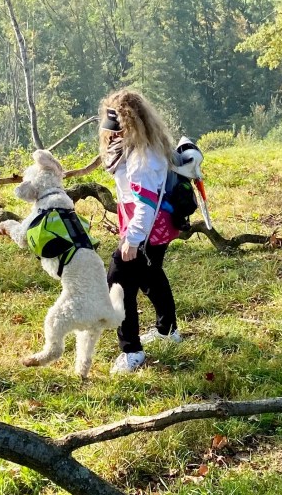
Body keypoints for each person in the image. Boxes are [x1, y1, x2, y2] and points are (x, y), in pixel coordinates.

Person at [98, 88, 183, 374]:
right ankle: (167, 330)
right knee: (150, 274)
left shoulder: (142, 160)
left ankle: (132, 351)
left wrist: (132, 240)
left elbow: (145, 205)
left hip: (145, 228)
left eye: (118, 129)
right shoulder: (140, 148)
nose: (112, 136)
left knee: (118, 283)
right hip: (157, 227)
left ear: (130, 125)